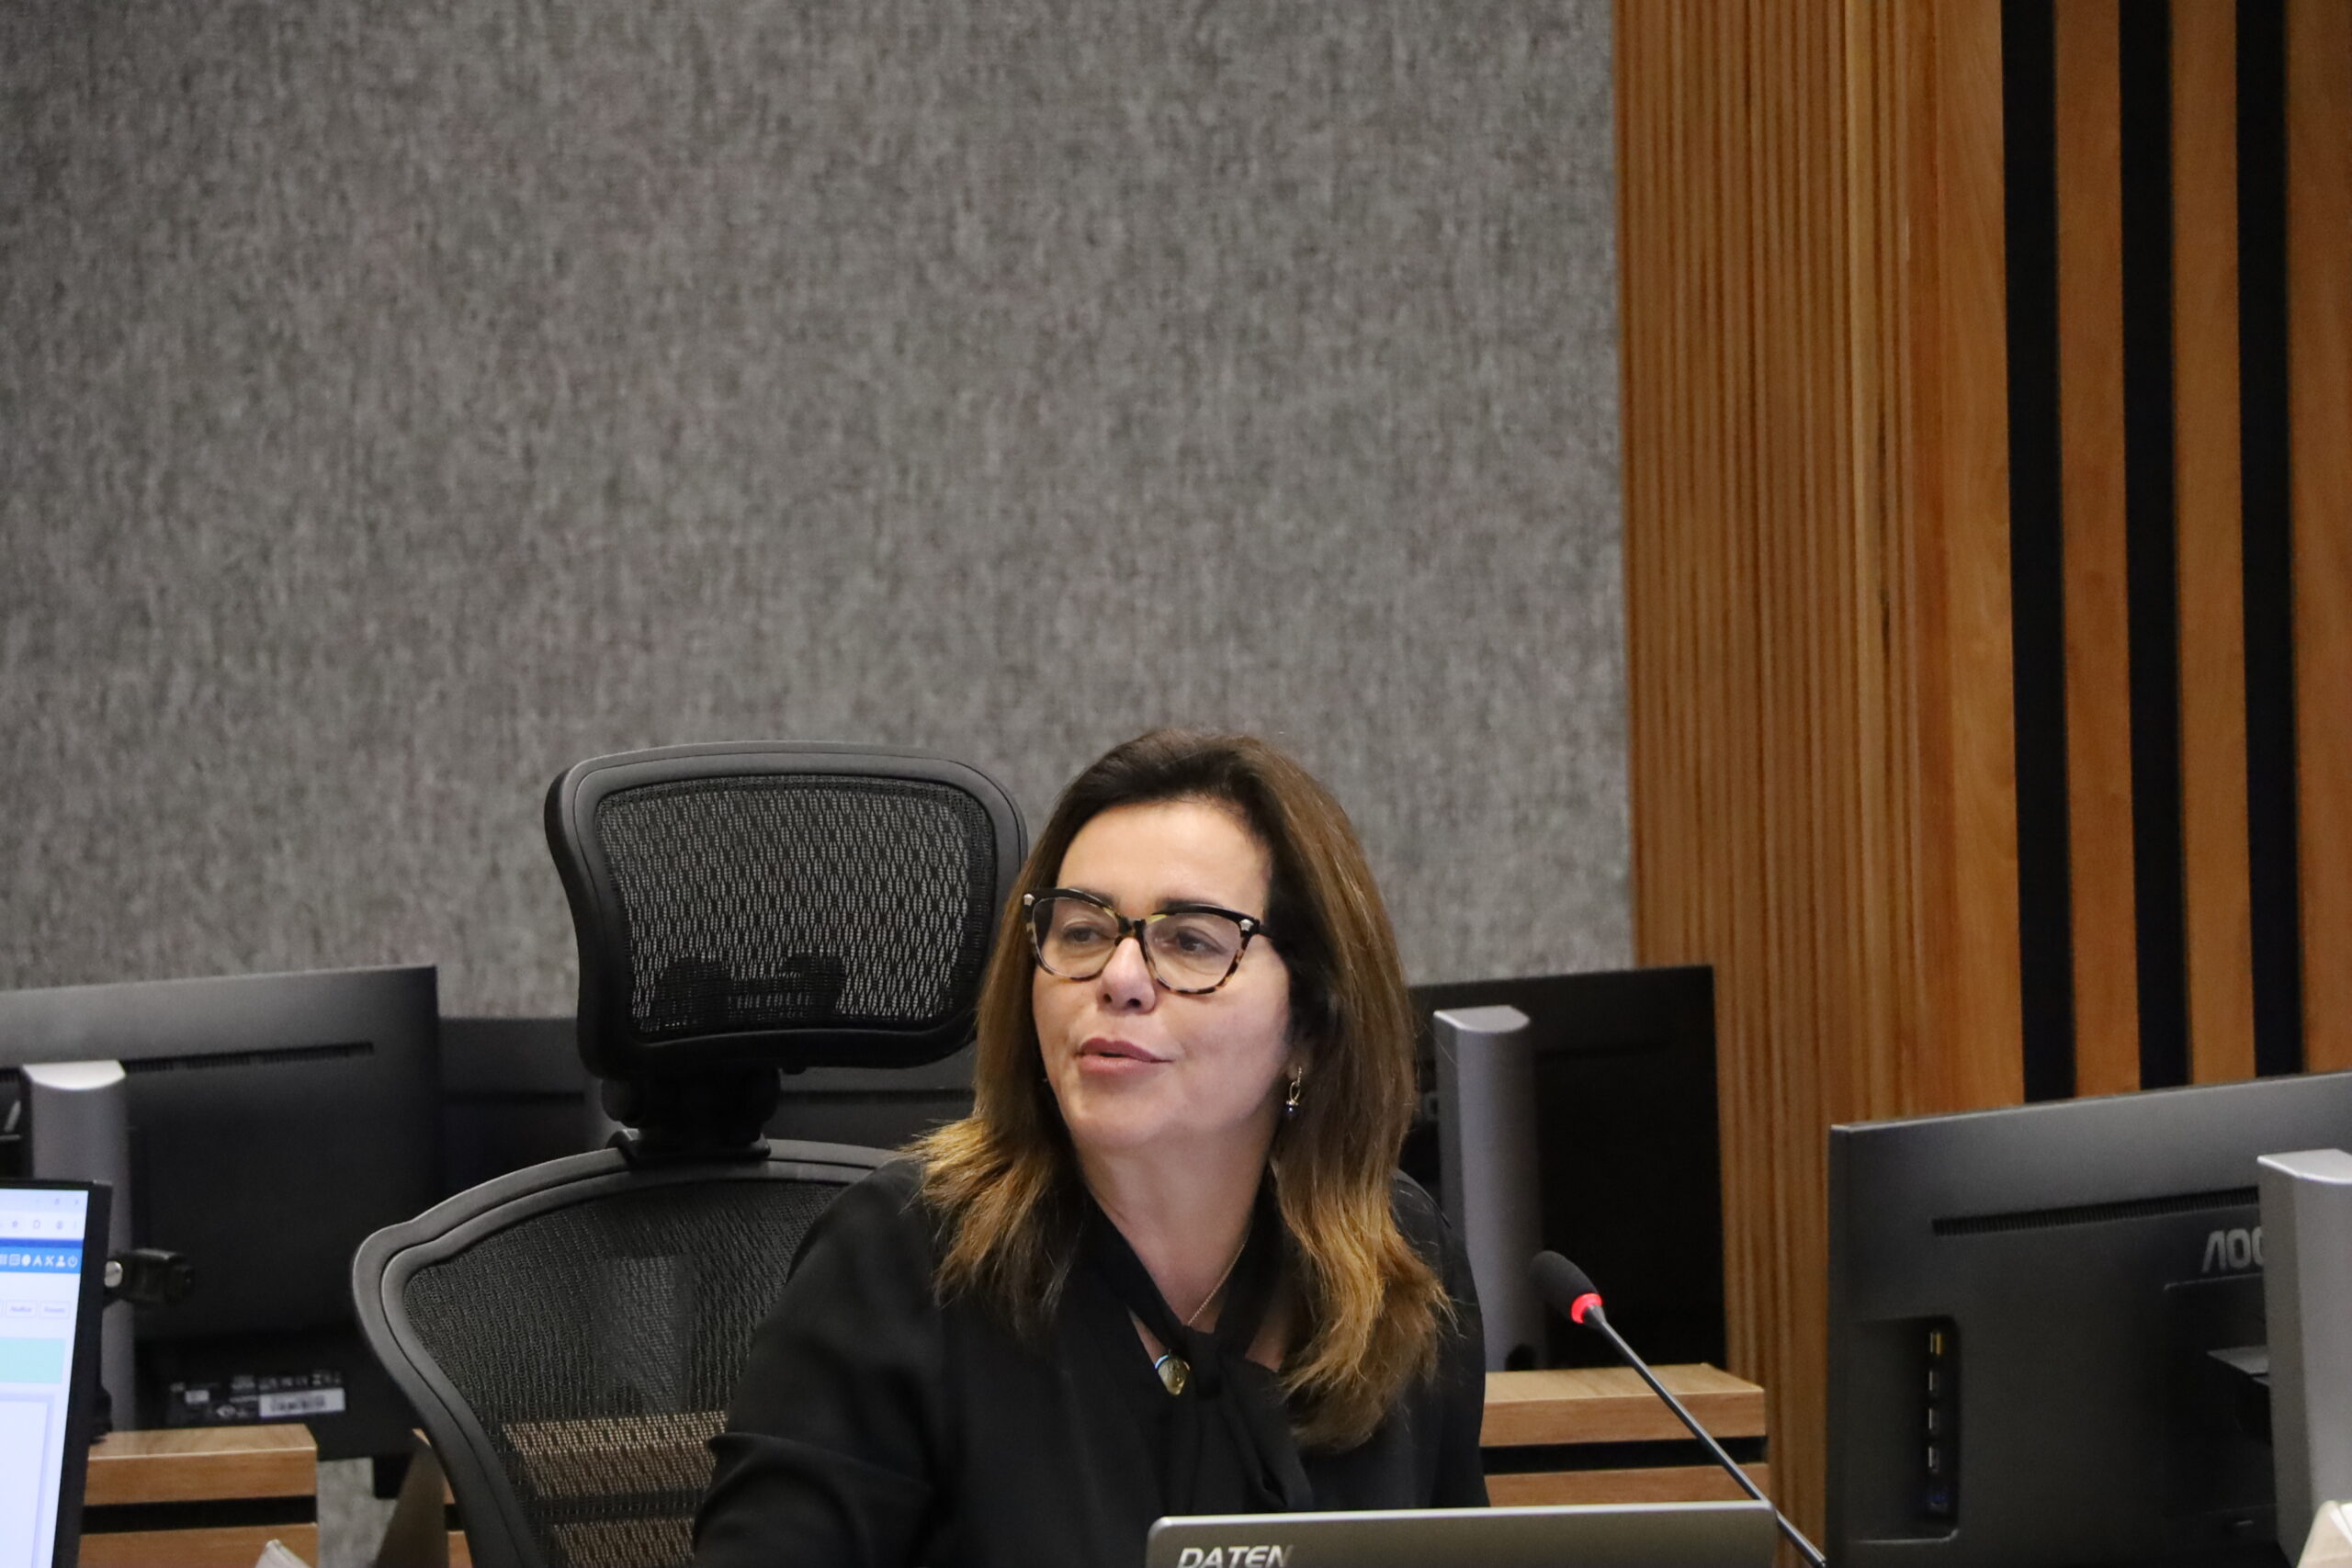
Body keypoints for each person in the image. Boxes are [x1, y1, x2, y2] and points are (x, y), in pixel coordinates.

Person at [693, 729, 1487, 1568]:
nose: (1120, 976)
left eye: (1190, 941)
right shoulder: (903, 1259)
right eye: (1080, 931)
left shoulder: (1397, 1259)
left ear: (1309, 1028)